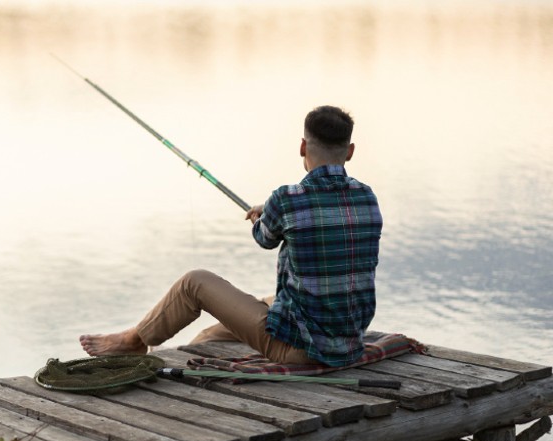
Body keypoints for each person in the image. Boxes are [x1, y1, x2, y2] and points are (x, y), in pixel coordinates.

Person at [80, 105, 382, 367]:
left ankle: (134, 340)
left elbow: (264, 238)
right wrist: (273, 210)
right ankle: (193, 345)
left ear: (303, 147)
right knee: (232, 322)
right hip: (349, 344)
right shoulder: (367, 197)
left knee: (193, 283)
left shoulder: (286, 199)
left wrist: (261, 216)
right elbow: (318, 216)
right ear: (350, 151)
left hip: (301, 351)